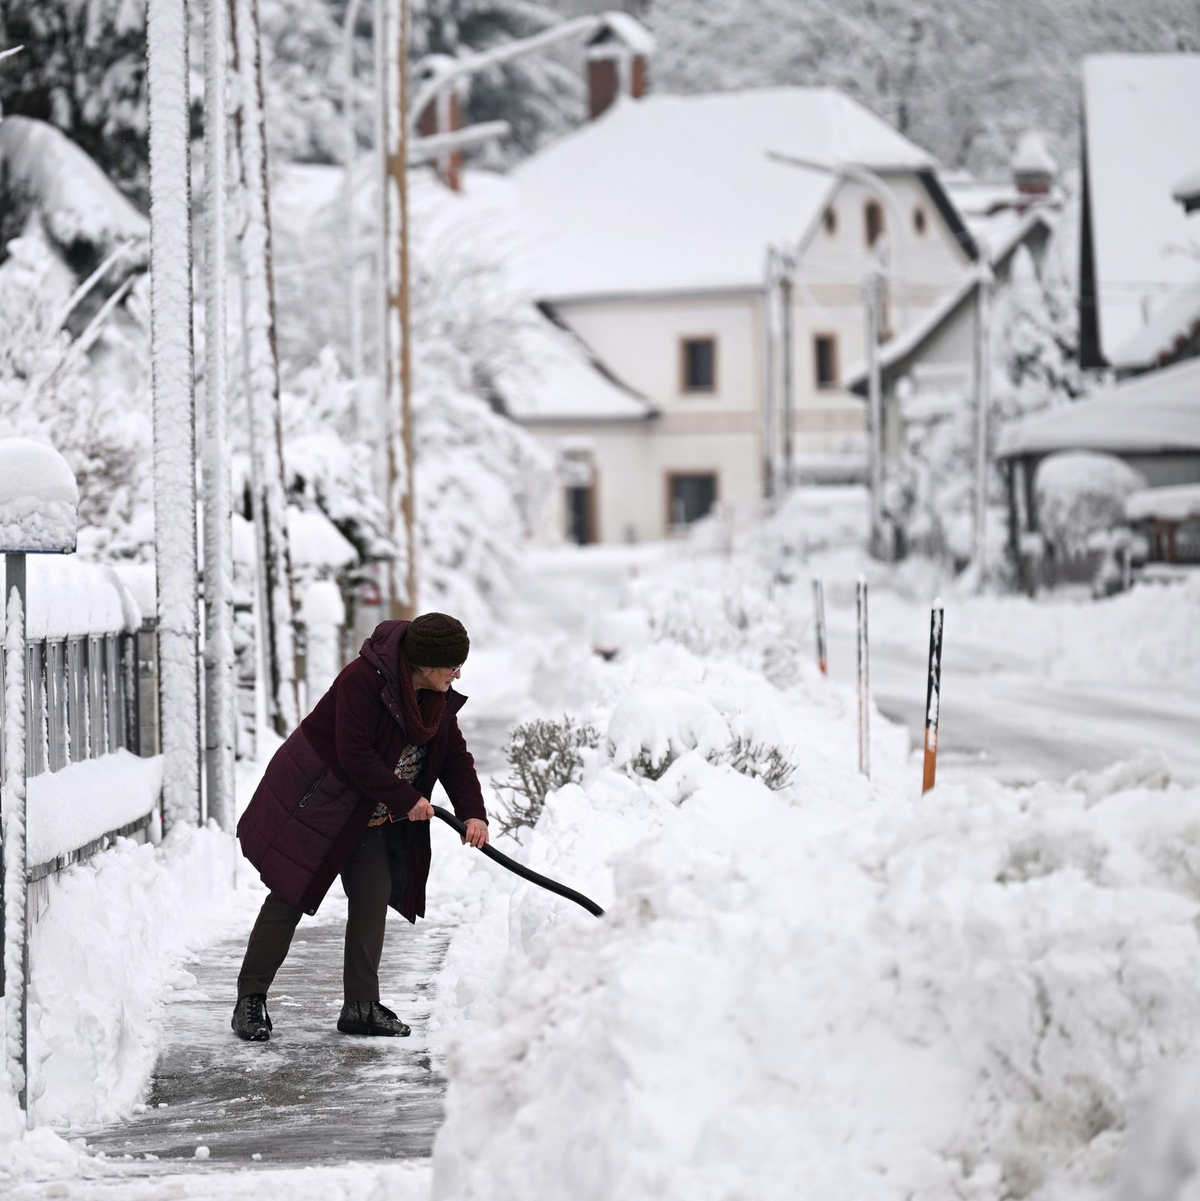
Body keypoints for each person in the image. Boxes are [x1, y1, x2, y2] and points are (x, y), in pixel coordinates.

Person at [231, 612, 489, 1041]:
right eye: (452, 665)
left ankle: (361, 1005)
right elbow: (354, 755)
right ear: (424, 663)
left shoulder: (435, 698)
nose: (458, 674)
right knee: (290, 896)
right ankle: (250, 1001)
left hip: (371, 813)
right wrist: (408, 798)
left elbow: (454, 757)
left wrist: (473, 812)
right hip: (320, 803)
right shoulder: (363, 681)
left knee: (373, 895)